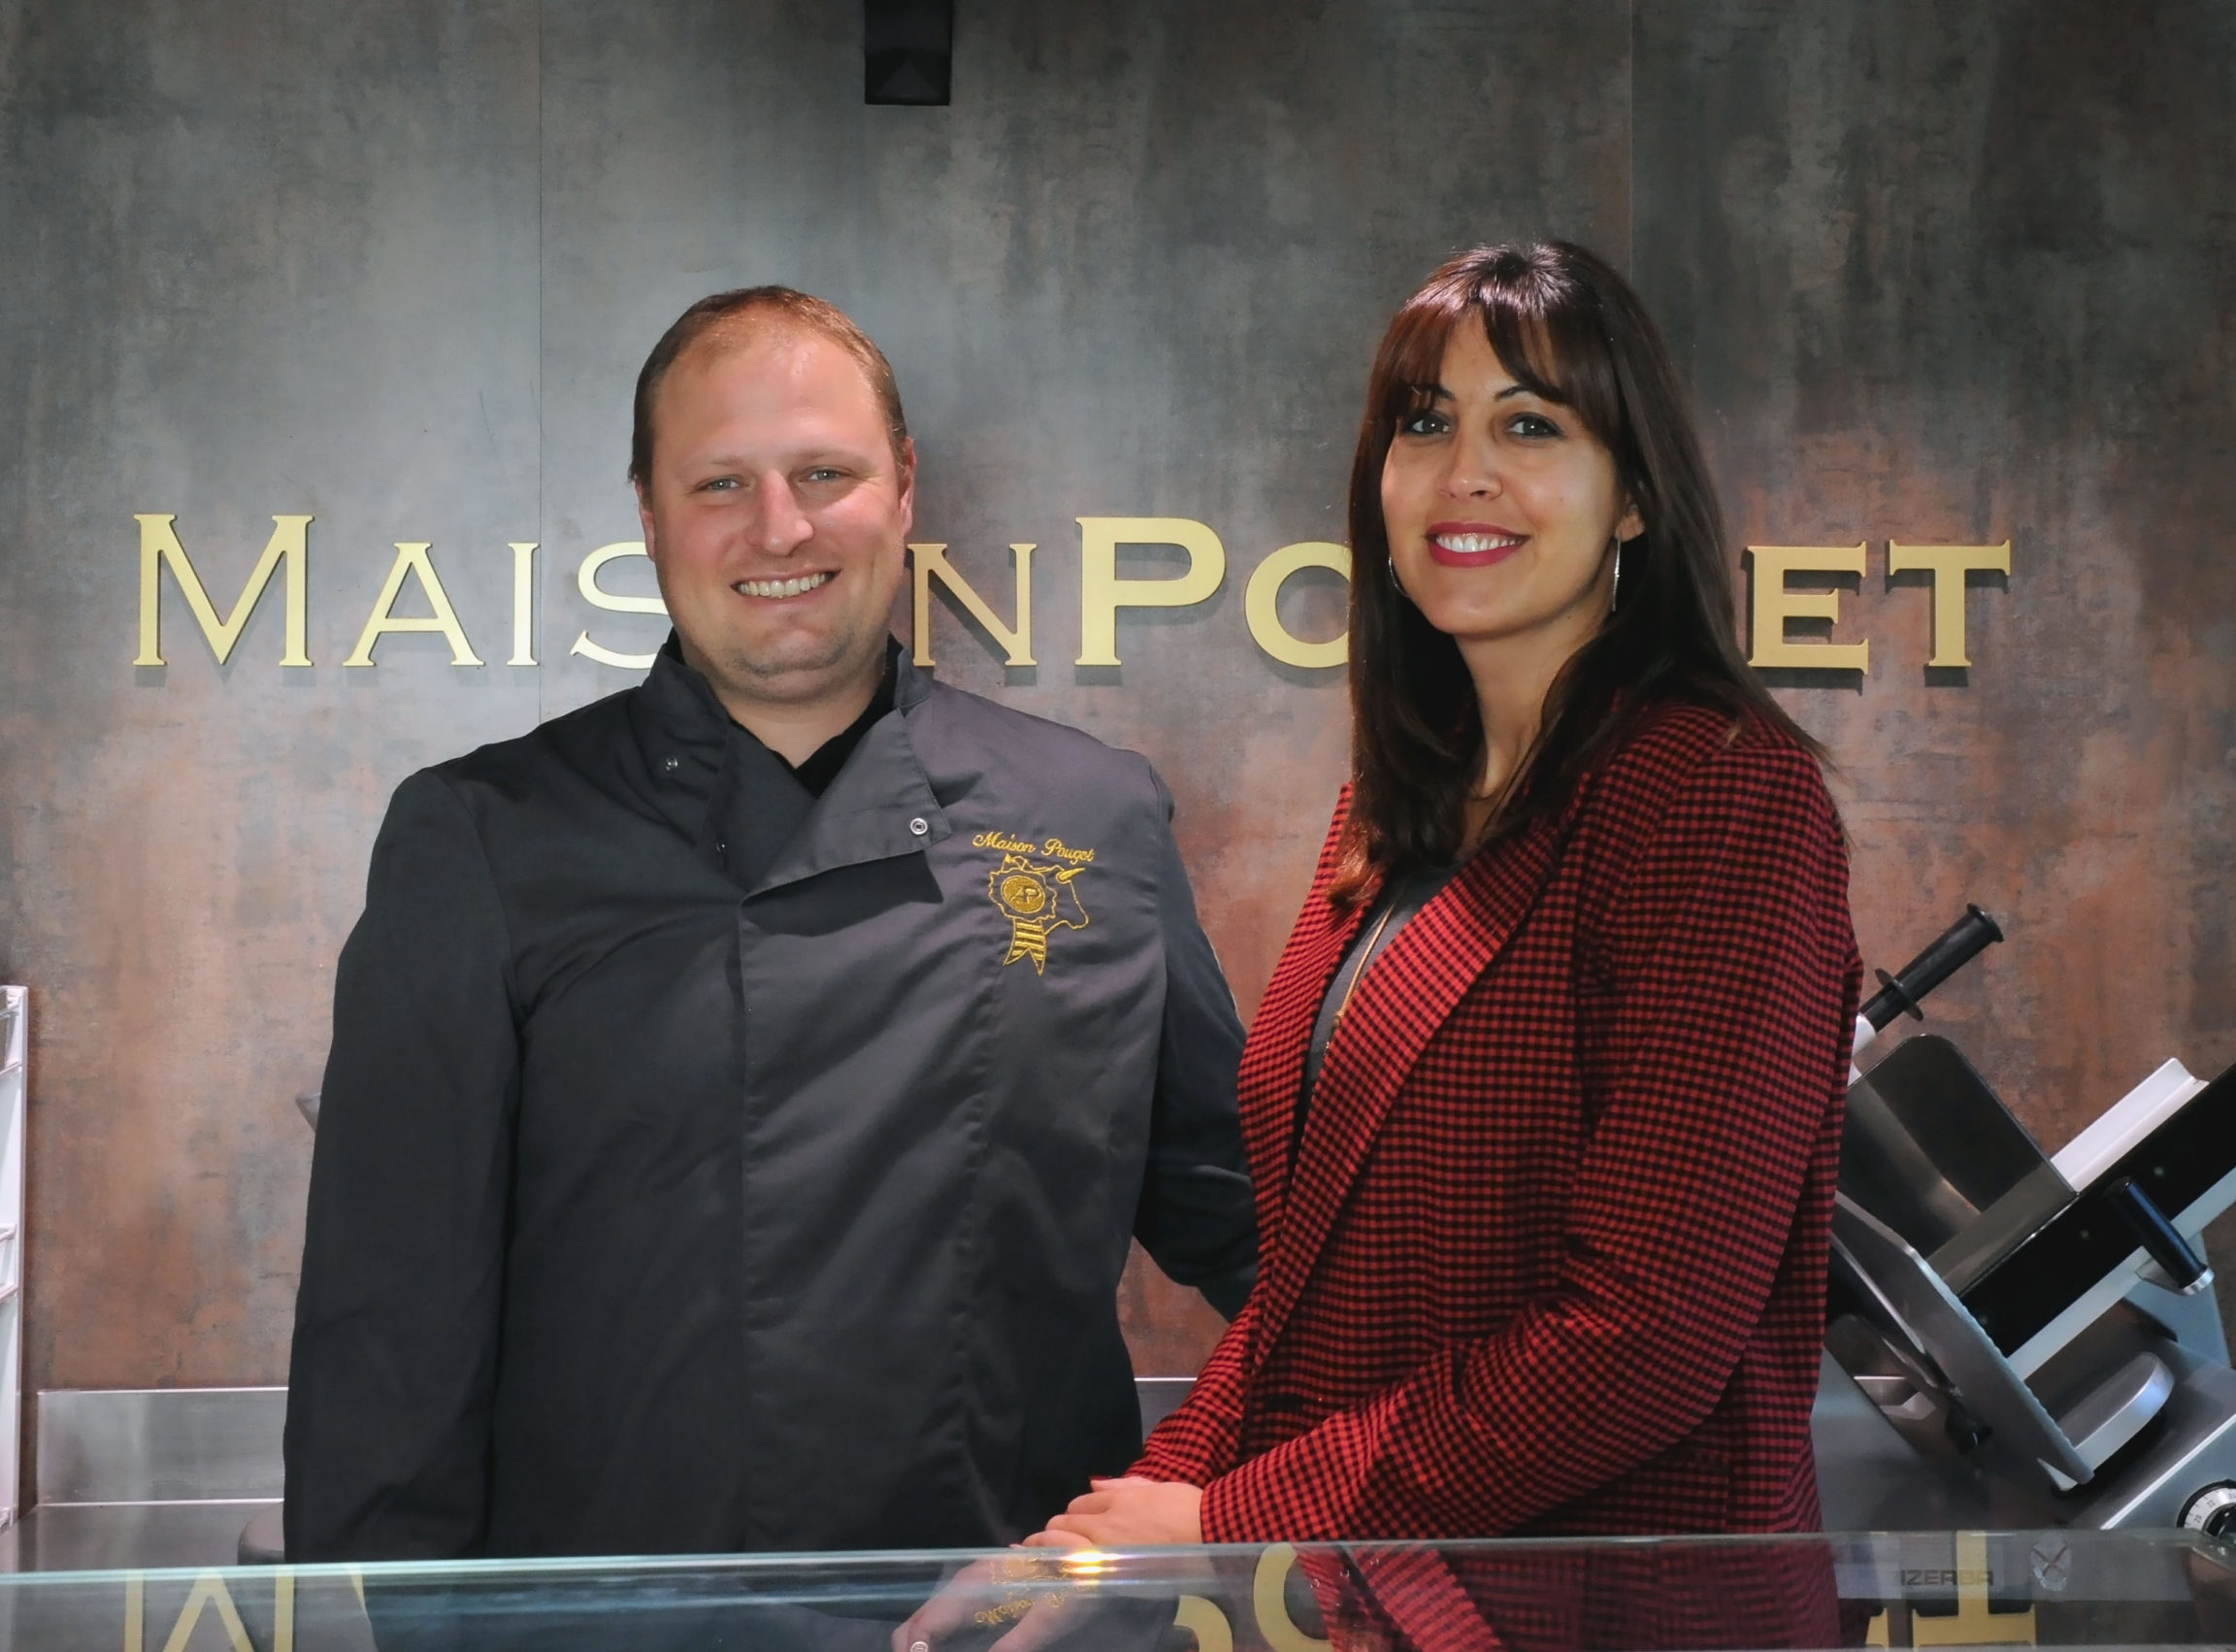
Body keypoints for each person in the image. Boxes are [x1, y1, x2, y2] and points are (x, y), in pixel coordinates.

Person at [283, 286, 1257, 1562]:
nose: (778, 526)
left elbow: (1264, 1235)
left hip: (1009, 1618)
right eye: (720, 484)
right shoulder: (485, 839)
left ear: (904, 489)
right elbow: (391, 1336)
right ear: (648, 514)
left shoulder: (1095, 815)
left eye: (824, 472)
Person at [1025, 242, 1862, 1551]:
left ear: (1634, 495)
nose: (1464, 471)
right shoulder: (1395, 808)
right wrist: (1092, 1540)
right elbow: (1308, 1287)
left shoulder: (1719, 795)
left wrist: (1225, 1520)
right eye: (1425, 423)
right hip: (1384, 1601)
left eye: (1530, 423)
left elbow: (1643, 1340)